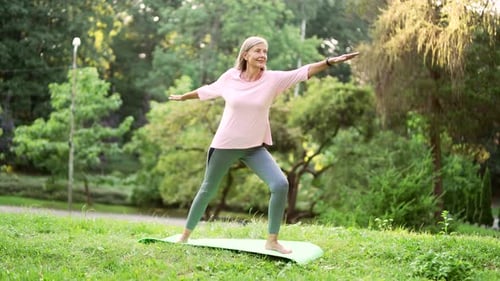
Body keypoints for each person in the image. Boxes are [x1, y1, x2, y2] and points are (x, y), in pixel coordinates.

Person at [169, 36, 359, 254]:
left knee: (280, 184)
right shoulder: (231, 77)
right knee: (207, 189)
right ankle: (184, 236)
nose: (262, 55)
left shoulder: (273, 79)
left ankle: (272, 240)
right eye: (258, 51)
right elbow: (208, 90)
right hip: (225, 145)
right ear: (245, 55)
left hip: (254, 148)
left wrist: (329, 62)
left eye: (265, 51)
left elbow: (302, 72)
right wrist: (184, 97)